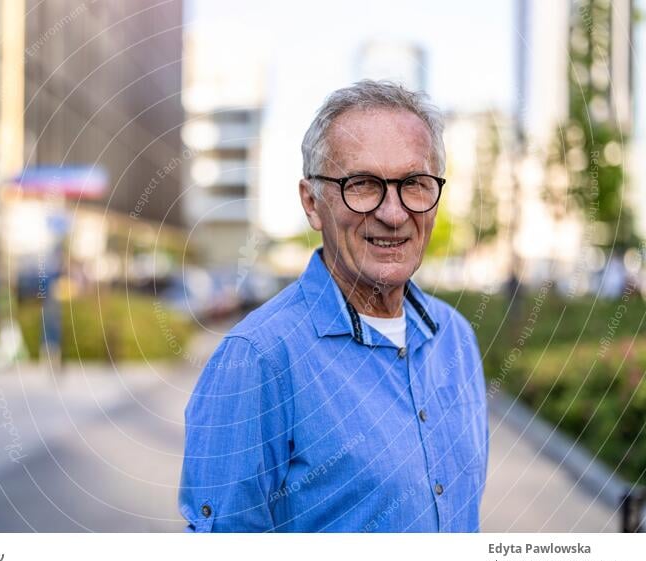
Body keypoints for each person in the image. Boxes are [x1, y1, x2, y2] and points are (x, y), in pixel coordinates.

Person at [178, 80, 488, 532]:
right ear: (312, 203)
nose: (394, 213)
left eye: (415, 184)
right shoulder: (259, 359)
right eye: (362, 185)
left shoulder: (456, 337)